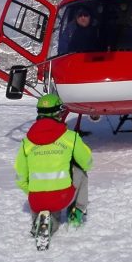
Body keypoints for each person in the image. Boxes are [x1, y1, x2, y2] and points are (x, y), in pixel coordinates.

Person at [14, 93, 93, 246]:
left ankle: (42, 221)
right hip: (62, 196)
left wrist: (32, 192)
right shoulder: (70, 137)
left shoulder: (26, 142)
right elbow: (88, 163)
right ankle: (75, 215)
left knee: (49, 211)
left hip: (36, 200)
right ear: (59, 113)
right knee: (81, 172)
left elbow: (20, 177)